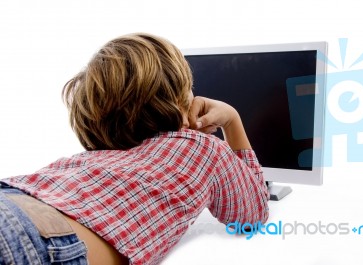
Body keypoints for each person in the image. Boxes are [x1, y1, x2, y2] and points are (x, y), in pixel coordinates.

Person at [0, 33, 269, 265]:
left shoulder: (83, 160)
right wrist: (232, 119)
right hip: (25, 233)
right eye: (190, 89)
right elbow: (252, 215)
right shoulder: (199, 145)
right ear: (177, 101)